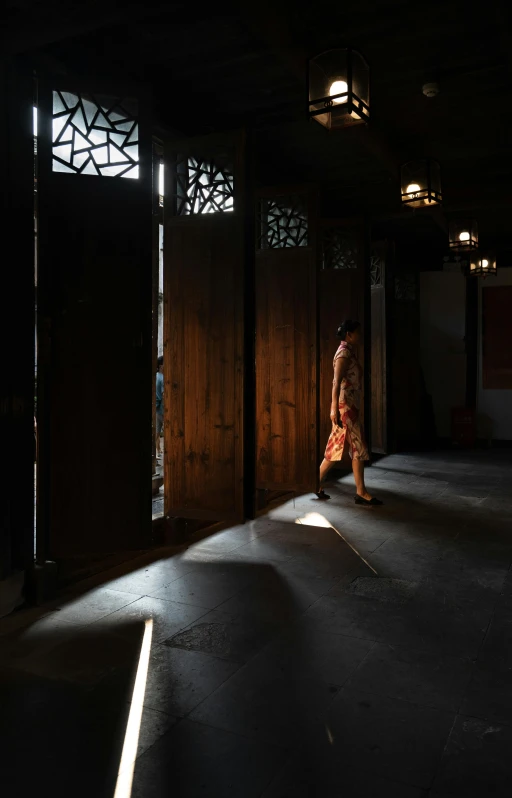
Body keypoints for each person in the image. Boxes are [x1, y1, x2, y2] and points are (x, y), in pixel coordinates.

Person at [317, 320, 383, 506]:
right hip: (345, 406)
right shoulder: (344, 353)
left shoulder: (348, 351)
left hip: (349, 404)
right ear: (349, 334)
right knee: (358, 446)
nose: (360, 336)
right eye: (357, 332)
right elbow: (336, 382)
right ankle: (361, 491)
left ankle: (315, 482)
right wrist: (333, 409)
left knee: (336, 446)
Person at [155, 355, 164, 460]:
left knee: (157, 431)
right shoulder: (162, 378)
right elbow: (164, 394)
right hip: (162, 409)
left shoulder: (156, 376)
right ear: (162, 365)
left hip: (156, 408)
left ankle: (157, 451)